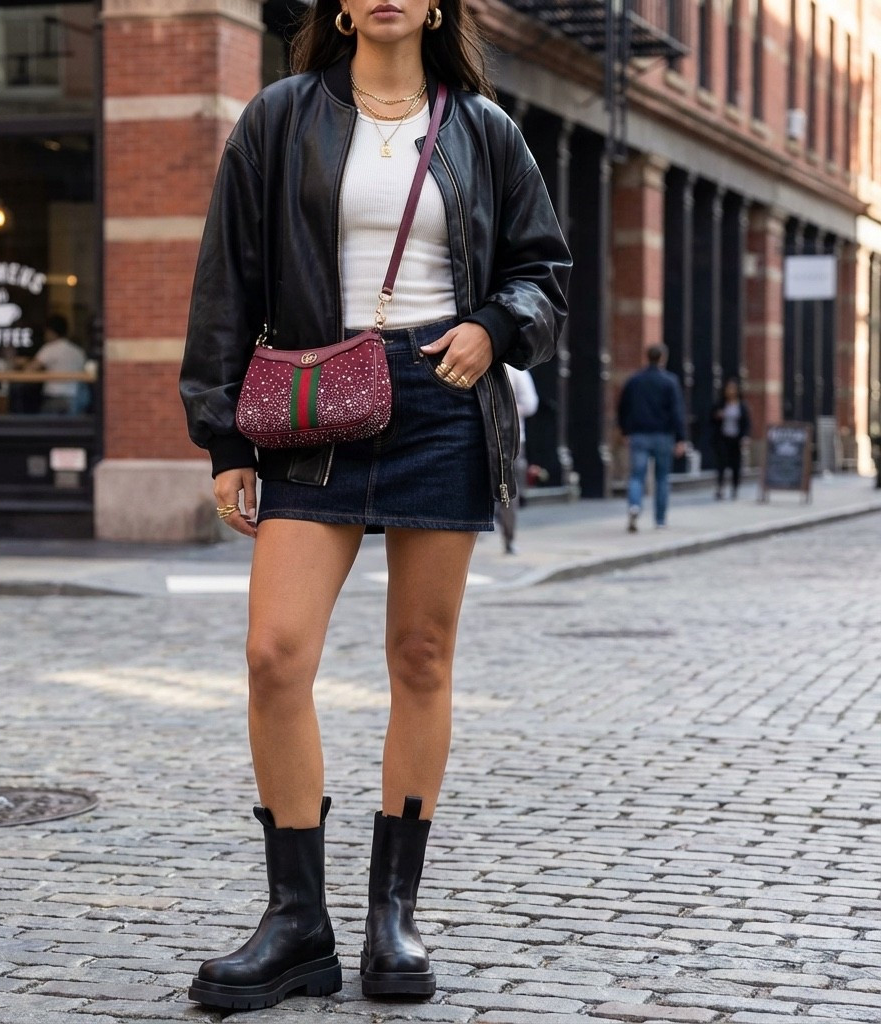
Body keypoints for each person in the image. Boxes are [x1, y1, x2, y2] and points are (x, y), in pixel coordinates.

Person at [178, 0, 571, 1009]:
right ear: (341, 8)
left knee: (421, 656)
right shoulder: (278, 115)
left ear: (435, 5)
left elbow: (544, 271)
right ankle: (296, 921)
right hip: (316, 400)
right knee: (274, 652)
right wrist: (225, 436)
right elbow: (229, 276)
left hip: (439, 400)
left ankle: (392, 915)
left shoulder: (483, 129)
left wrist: (494, 324)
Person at [617, 343, 687, 533]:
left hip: (639, 434)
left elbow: (623, 407)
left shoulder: (635, 380)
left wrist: (625, 431)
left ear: (647, 357)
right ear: (663, 358)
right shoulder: (670, 381)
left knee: (637, 476)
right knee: (662, 478)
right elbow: (677, 411)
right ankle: (660, 520)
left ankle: (634, 505)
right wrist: (681, 438)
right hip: (663, 435)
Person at [497, 365, 539, 554]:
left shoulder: (514, 370)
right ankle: (507, 536)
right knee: (506, 490)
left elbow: (530, 403)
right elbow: (530, 403)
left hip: (508, 438)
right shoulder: (514, 369)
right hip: (503, 437)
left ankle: (507, 535)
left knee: (507, 490)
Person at [26, 315, 87, 414]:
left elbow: (30, 369)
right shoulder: (78, 351)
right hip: (74, 398)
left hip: (54, 397)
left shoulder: (50, 349)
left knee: (48, 428)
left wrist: (24, 363)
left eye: (46, 331)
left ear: (51, 332)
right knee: (70, 429)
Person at [710, 377, 750, 499]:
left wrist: (745, 437)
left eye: (733, 389)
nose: (730, 391)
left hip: (736, 438)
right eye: (728, 388)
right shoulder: (720, 404)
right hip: (723, 437)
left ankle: (735, 488)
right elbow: (710, 419)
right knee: (721, 463)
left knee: (736, 464)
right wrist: (717, 416)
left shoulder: (742, 405)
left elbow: (746, 422)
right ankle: (720, 488)